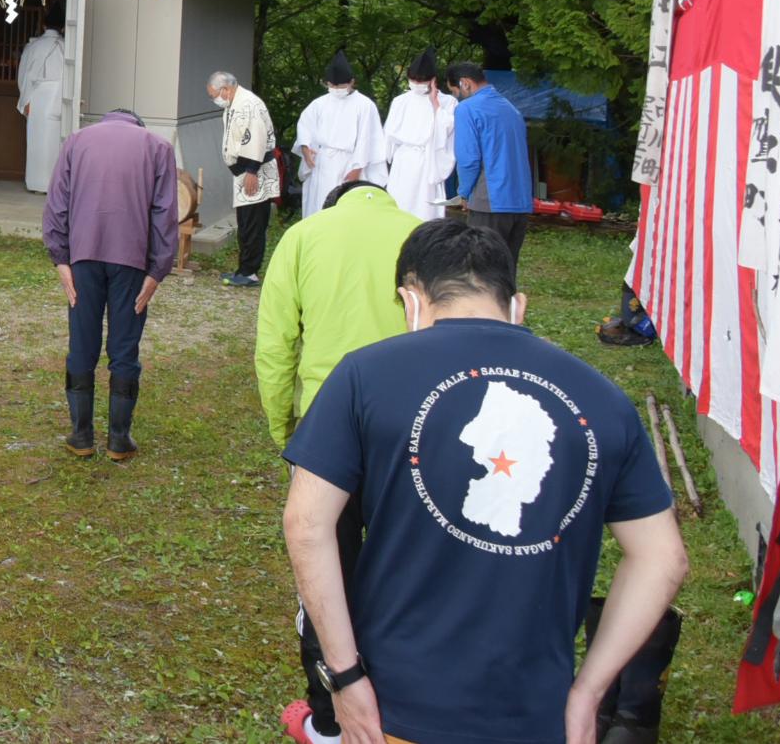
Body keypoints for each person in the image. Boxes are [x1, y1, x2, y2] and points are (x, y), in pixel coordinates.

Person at [282, 218, 688, 744]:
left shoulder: (363, 376)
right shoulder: (604, 399)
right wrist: (588, 692)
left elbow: (306, 524)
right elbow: (664, 558)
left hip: (395, 709)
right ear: (517, 305)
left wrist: (345, 676)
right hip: (536, 717)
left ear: (411, 301)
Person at [253, 180, 418, 744]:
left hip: (328, 433)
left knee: (325, 573)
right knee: (410, 570)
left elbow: (275, 345)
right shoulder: (424, 236)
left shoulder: (302, 238)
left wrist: (285, 430)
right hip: (416, 433)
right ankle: (403, 711)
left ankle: (328, 719)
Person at [42, 110, 178, 460]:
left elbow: (57, 202)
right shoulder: (158, 147)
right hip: (132, 259)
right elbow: (164, 213)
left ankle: (81, 434)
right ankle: (119, 438)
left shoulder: (76, 141)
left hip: (83, 255)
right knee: (124, 346)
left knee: (82, 341)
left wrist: (60, 258)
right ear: (137, 125)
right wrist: (157, 271)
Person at [447, 60, 535, 266]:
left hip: (490, 200)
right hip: (519, 202)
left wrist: (465, 193)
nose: (456, 98)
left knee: (482, 270)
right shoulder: (511, 109)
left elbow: (468, 158)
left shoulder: (468, 109)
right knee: (506, 269)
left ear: (464, 83)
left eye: (454, 92)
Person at [209, 70, 280, 287]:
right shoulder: (235, 103)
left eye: (214, 95)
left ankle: (250, 271)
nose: (214, 99)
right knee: (245, 221)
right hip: (244, 171)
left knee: (253, 222)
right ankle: (244, 268)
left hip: (254, 171)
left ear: (226, 89)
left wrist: (251, 171)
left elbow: (256, 138)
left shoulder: (249, 104)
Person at [293, 50, 384, 220]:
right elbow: (305, 127)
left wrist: (357, 169)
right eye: (332, 86)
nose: (336, 90)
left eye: (341, 86)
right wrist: (305, 149)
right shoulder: (319, 104)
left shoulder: (364, 105)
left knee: (347, 208)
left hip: (350, 162)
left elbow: (367, 139)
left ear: (351, 82)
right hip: (323, 162)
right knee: (320, 207)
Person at [383, 47, 455, 222]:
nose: (416, 83)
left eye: (421, 80)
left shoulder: (448, 102)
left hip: (428, 163)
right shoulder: (400, 101)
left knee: (425, 210)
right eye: (413, 80)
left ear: (432, 80)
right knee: (400, 206)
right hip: (403, 162)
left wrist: (435, 104)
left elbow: (448, 131)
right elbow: (388, 136)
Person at [16, 3, 67, 193]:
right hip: (60, 97)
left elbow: (25, 75)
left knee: (37, 141)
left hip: (37, 97)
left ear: (44, 25)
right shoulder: (66, 48)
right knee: (56, 142)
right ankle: (55, 186)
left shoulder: (33, 46)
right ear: (62, 27)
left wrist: (25, 100)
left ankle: (36, 183)